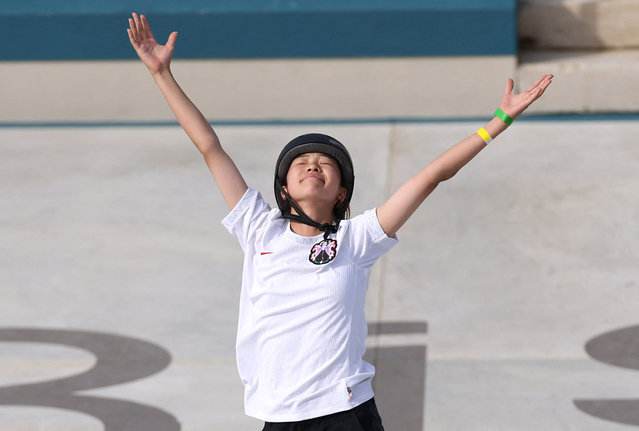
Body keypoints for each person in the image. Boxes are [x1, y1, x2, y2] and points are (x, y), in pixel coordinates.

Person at [127, 12, 552, 431]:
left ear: (342, 193)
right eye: (303, 163)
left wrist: (498, 122)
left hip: (343, 413)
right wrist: (162, 74)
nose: (314, 166)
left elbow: (431, 176)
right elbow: (210, 147)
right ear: (284, 191)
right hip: (278, 417)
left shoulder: (357, 239)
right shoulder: (258, 228)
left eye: (325, 165)